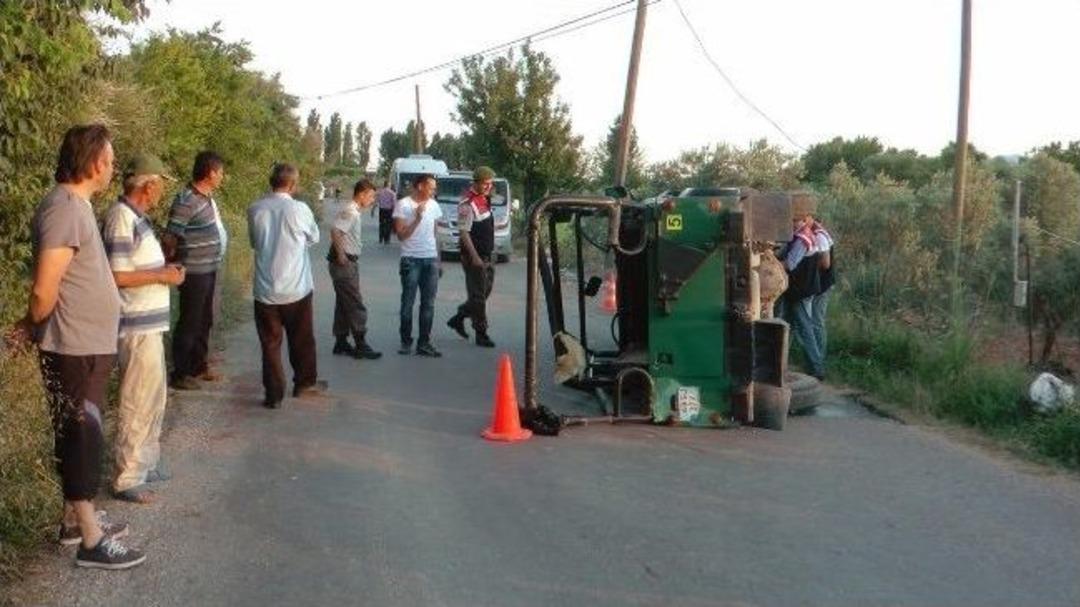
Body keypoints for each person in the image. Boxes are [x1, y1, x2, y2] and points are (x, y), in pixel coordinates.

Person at [6, 124, 145, 569]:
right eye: (110, 157)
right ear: (94, 162)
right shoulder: (65, 208)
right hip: (73, 346)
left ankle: (72, 520)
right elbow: (44, 289)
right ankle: (89, 539)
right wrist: (29, 325)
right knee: (82, 434)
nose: (113, 166)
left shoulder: (75, 207)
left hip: (85, 344)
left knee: (77, 430)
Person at [102, 153, 186, 504]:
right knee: (137, 400)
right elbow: (116, 275)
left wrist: (163, 270)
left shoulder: (138, 218)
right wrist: (161, 276)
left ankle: (146, 461)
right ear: (148, 185)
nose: (162, 190)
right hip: (135, 327)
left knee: (154, 397)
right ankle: (127, 476)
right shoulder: (122, 218)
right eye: (160, 184)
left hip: (149, 324)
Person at [247, 163, 325, 408]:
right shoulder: (299, 209)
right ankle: (304, 383)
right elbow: (314, 237)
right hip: (296, 287)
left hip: (265, 288)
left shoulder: (255, 208)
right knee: (301, 338)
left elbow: (254, 242)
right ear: (292, 184)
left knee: (270, 343)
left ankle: (273, 394)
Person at [164, 151, 227, 390]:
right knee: (190, 321)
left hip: (209, 267)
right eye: (220, 172)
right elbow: (171, 235)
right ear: (210, 173)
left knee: (204, 319)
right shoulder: (186, 199)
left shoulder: (206, 198)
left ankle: (198, 366)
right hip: (193, 271)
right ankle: (180, 372)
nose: (222, 177)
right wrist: (172, 264)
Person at [329, 178, 383, 360]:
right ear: (361, 194)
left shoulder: (353, 211)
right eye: (371, 196)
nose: (372, 200)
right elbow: (336, 231)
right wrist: (342, 255)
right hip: (344, 264)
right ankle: (361, 343)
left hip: (348, 262)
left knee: (344, 303)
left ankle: (341, 342)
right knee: (355, 303)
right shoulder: (351, 212)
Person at [446, 166, 497, 348]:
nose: (488, 187)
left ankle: (459, 316)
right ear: (476, 182)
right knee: (478, 297)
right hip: (474, 257)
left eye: (490, 184)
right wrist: (474, 257)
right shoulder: (467, 204)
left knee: (484, 292)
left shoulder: (484, 199)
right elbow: (464, 233)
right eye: (485, 183)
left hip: (487, 254)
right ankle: (481, 333)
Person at [393, 173, 443, 357]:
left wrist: (439, 260)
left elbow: (435, 234)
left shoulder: (434, 205)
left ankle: (424, 343)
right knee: (408, 303)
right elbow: (400, 235)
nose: (434, 190)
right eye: (431, 187)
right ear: (420, 186)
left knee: (428, 304)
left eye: (434, 187)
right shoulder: (403, 205)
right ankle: (406, 342)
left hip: (430, 260)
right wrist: (417, 218)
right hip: (410, 260)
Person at [780, 192, 825, 381]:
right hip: (798, 290)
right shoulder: (801, 235)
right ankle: (780, 364)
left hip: (801, 291)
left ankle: (816, 368)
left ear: (794, 220)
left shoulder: (801, 239)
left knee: (805, 328)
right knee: (786, 327)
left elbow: (790, 264)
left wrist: (769, 265)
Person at [809, 218, 836, 379]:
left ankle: (819, 361)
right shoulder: (821, 233)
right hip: (822, 284)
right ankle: (817, 360)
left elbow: (825, 263)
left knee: (817, 323)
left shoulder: (819, 236)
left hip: (823, 285)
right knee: (815, 322)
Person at [375, 180, 396, 244]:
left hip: (382, 210)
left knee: (381, 224)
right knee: (388, 225)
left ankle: (381, 238)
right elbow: (394, 204)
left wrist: (372, 210)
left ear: (384, 185)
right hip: (389, 211)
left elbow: (376, 201)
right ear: (389, 185)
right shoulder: (392, 193)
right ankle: (387, 239)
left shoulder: (380, 192)